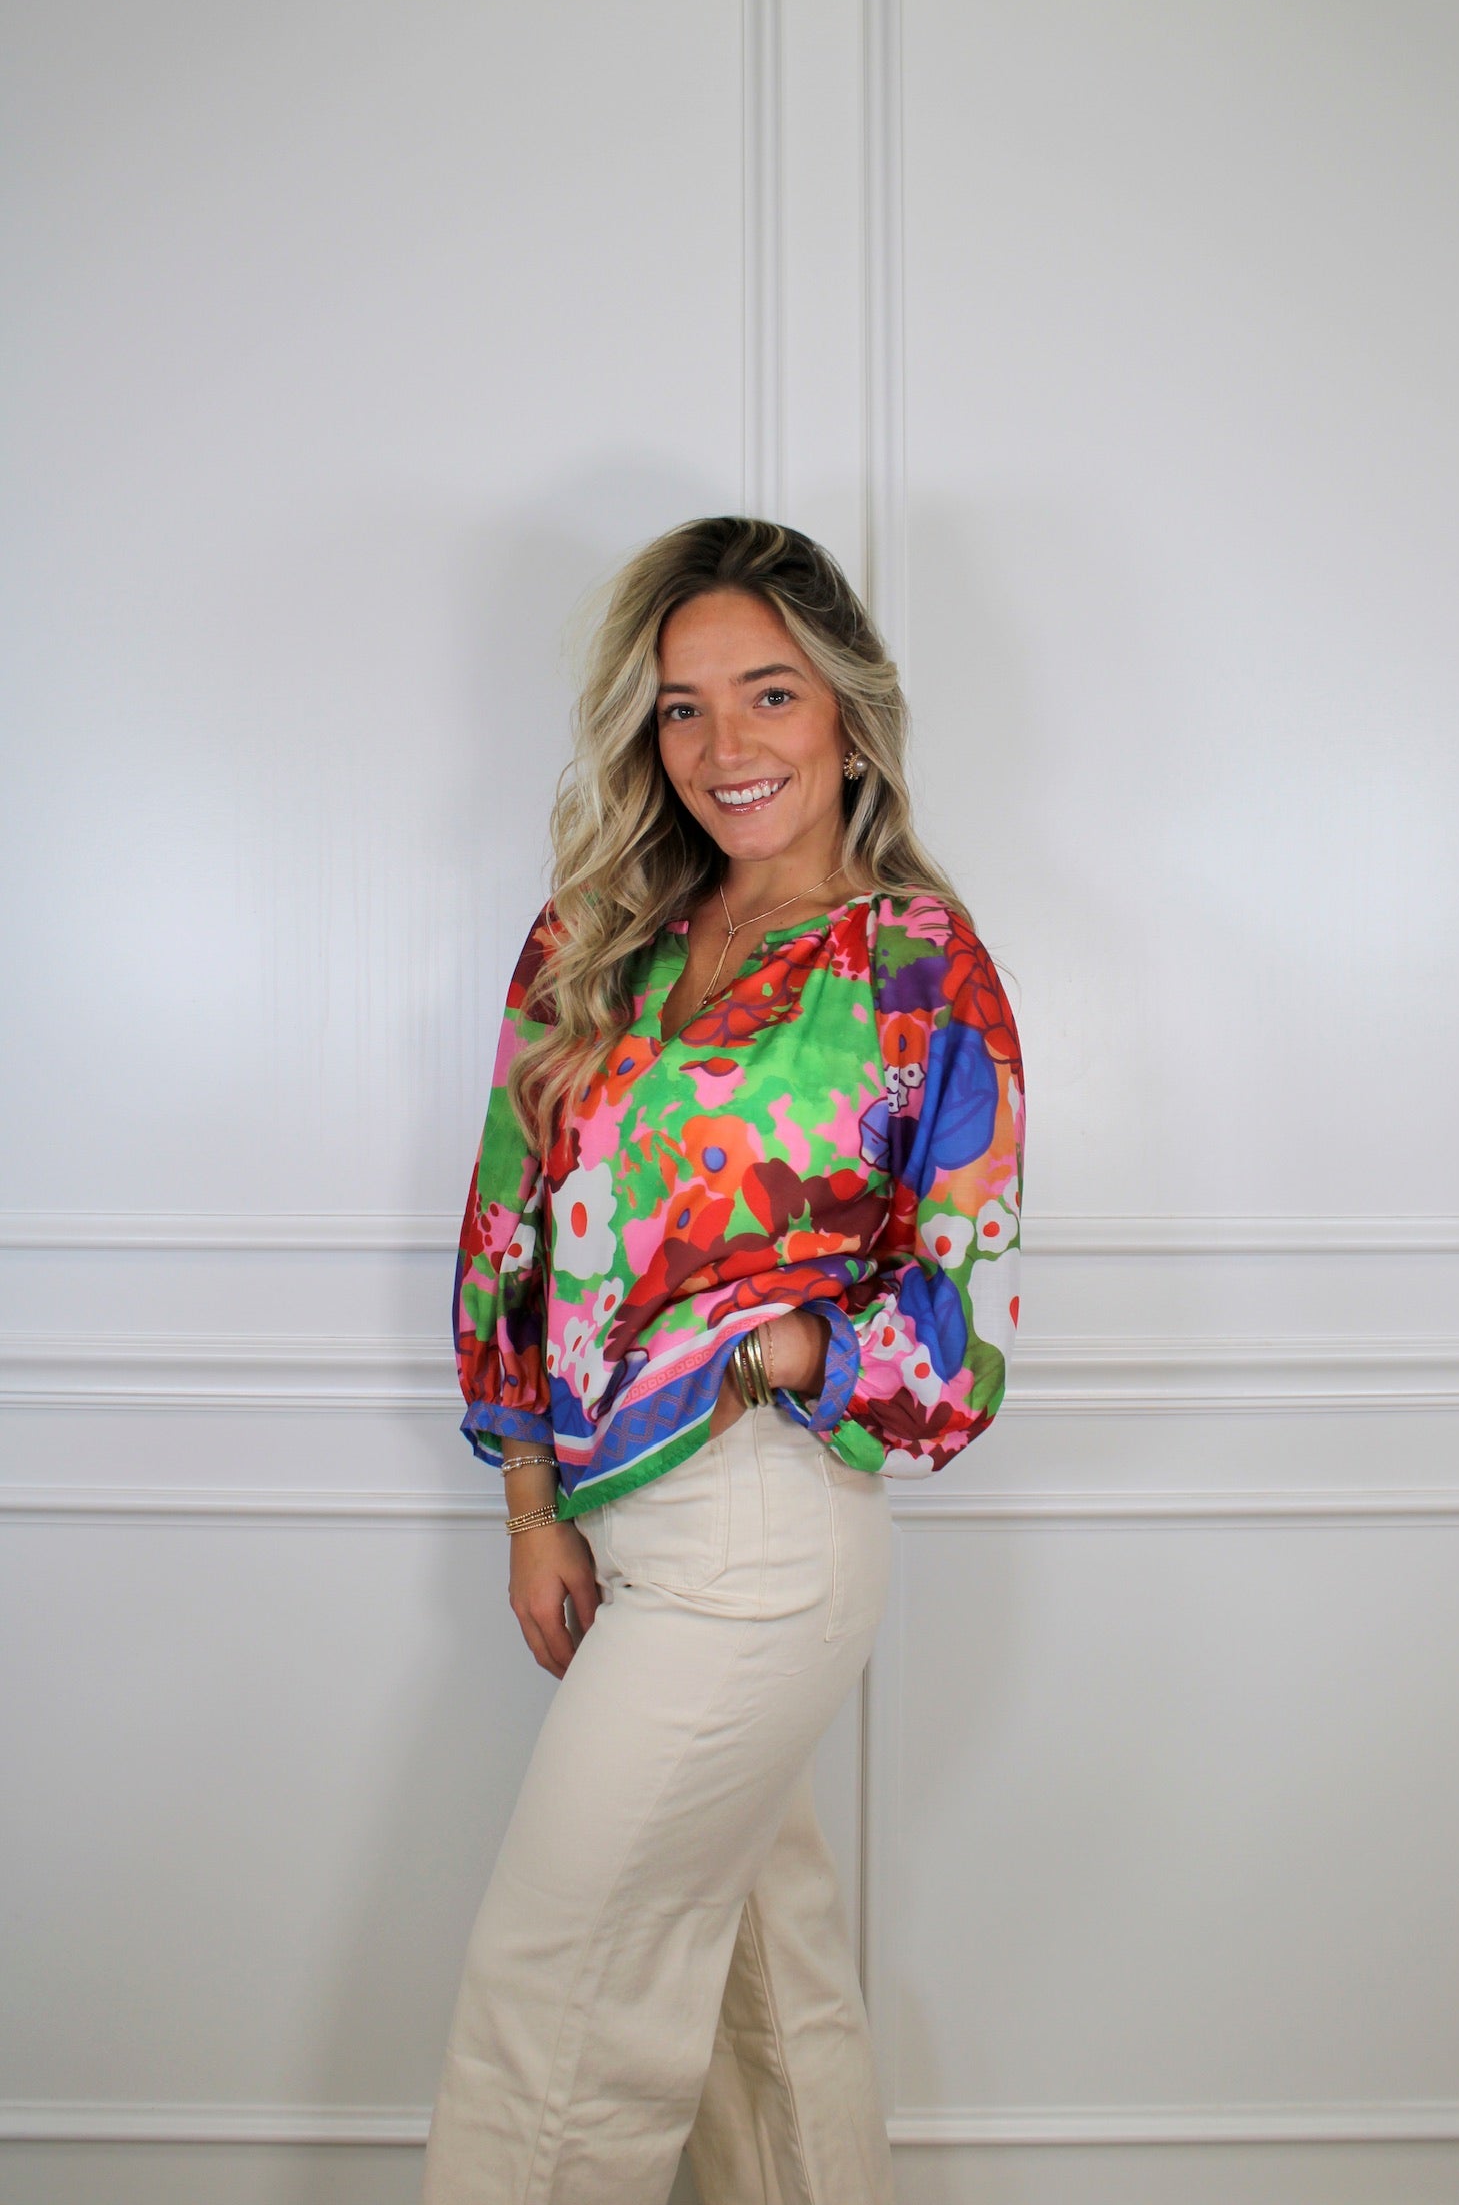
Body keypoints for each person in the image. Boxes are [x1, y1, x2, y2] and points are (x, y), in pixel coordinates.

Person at [423, 517, 1025, 2205]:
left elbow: (966, 1312)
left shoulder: (915, 963)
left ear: (847, 712)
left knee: (555, 2006)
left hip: (766, 1531)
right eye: (681, 707)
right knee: (771, 1999)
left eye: (768, 693)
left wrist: (788, 1347)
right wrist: (532, 1503)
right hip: (610, 1521)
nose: (723, 744)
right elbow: (508, 1228)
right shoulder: (593, 938)